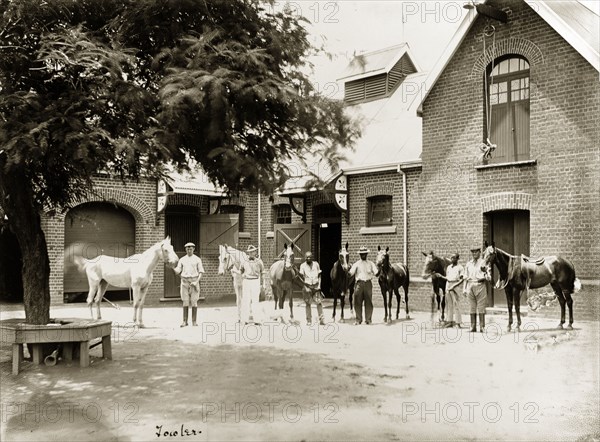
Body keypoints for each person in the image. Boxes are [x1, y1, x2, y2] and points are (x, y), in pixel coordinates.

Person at [173, 242, 205, 327]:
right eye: (187, 248)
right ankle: (185, 321)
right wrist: (174, 269)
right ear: (185, 249)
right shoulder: (182, 259)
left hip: (194, 281)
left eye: (190, 248)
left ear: (194, 249)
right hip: (184, 282)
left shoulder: (197, 259)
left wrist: (196, 281)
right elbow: (178, 270)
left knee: (194, 301)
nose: (189, 250)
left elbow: (201, 272)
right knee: (185, 301)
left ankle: (194, 321)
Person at [348, 246, 378, 325]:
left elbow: (376, 273)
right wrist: (346, 269)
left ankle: (368, 320)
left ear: (367, 254)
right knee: (357, 301)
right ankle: (358, 320)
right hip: (359, 284)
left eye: (364, 254)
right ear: (359, 255)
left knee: (369, 302)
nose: (363, 255)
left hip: (368, 283)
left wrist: (380, 267)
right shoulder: (356, 264)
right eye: (361, 254)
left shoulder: (371, 263)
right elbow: (350, 273)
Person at [463, 245, 490, 332]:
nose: (474, 253)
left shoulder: (484, 263)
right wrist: (464, 288)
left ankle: (482, 327)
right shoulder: (468, 264)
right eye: (473, 252)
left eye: (476, 252)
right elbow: (465, 277)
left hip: (480, 284)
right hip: (470, 285)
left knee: (481, 307)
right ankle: (473, 326)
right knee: (472, 307)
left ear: (479, 252)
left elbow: (489, 277)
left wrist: (486, 273)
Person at [434, 253, 464, 328]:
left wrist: (454, 286)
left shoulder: (460, 268)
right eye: (451, 258)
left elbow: (462, 279)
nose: (452, 259)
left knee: (456, 304)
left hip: (455, 285)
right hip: (448, 285)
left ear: (457, 259)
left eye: (454, 258)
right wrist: (441, 276)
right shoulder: (449, 267)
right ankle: (449, 321)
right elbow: (447, 277)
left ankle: (458, 322)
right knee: (449, 304)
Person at [240, 245, 265, 325]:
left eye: (253, 251)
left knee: (255, 301)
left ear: (255, 252)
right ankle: (245, 320)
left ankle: (257, 320)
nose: (251, 253)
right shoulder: (244, 261)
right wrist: (242, 275)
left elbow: (263, 272)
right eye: (250, 252)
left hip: (255, 281)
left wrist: (262, 283)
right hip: (246, 281)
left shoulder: (259, 261)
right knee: (246, 300)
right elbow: (241, 271)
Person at [299, 251, 325, 326]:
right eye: (307, 257)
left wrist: (319, 285)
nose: (308, 258)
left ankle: (321, 319)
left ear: (312, 257)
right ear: (305, 258)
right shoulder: (302, 266)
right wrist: (305, 287)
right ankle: (309, 321)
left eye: (310, 257)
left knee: (319, 302)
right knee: (308, 304)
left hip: (316, 286)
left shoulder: (316, 264)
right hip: (308, 287)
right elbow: (301, 278)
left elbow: (319, 275)